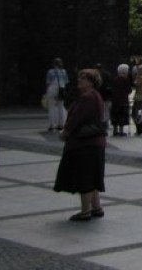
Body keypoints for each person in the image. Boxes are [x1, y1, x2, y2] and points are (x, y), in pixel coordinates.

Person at [54, 68, 107, 221]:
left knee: (86, 177)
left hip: (86, 143)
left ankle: (85, 212)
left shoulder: (88, 98)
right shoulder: (95, 96)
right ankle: (96, 207)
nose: (79, 80)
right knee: (92, 175)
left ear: (91, 82)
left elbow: (77, 118)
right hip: (94, 142)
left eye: (83, 78)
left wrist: (65, 132)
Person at [44, 58, 69, 131]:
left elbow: (48, 82)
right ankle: (61, 124)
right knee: (60, 107)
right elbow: (66, 82)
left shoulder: (50, 71)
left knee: (51, 107)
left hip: (52, 88)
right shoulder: (64, 71)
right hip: (61, 89)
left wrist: (46, 92)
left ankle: (52, 124)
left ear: (54, 64)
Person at [110, 64, 132, 137]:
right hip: (123, 100)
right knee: (122, 115)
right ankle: (121, 131)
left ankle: (115, 130)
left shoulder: (115, 79)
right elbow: (129, 90)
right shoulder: (126, 80)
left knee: (115, 115)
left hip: (115, 100)